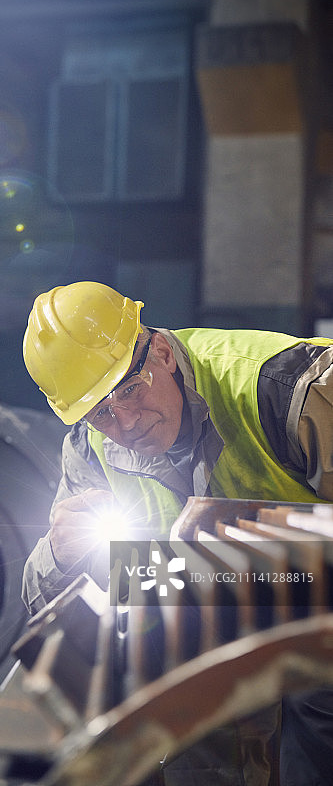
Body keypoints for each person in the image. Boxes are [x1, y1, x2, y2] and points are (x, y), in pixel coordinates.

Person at [20, 281, 333, 786]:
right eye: (102, 411)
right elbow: (44, 606)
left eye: (129, 389)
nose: (125, 422)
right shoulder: (88, 448)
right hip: (214, 636)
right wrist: (58, 555)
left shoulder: (287, 389)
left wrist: (273, 549)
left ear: (161, 352)